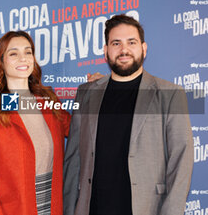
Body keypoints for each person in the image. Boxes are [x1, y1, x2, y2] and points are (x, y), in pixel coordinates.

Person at [63, 14, 194, 215]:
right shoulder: (86, 93)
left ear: (144, 48)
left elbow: (181, 161)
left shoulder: (170, 94)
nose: (124, 49)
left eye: (131, 42)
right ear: (106, 52)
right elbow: (73, 160)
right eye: (116, 43)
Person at [0, 31, 71, 215]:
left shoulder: (47, 100)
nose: (23, 58)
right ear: (0, 62)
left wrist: (96, 89)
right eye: (13, 53)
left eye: (28, 52)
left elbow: (78, 129)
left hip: (52, 205)